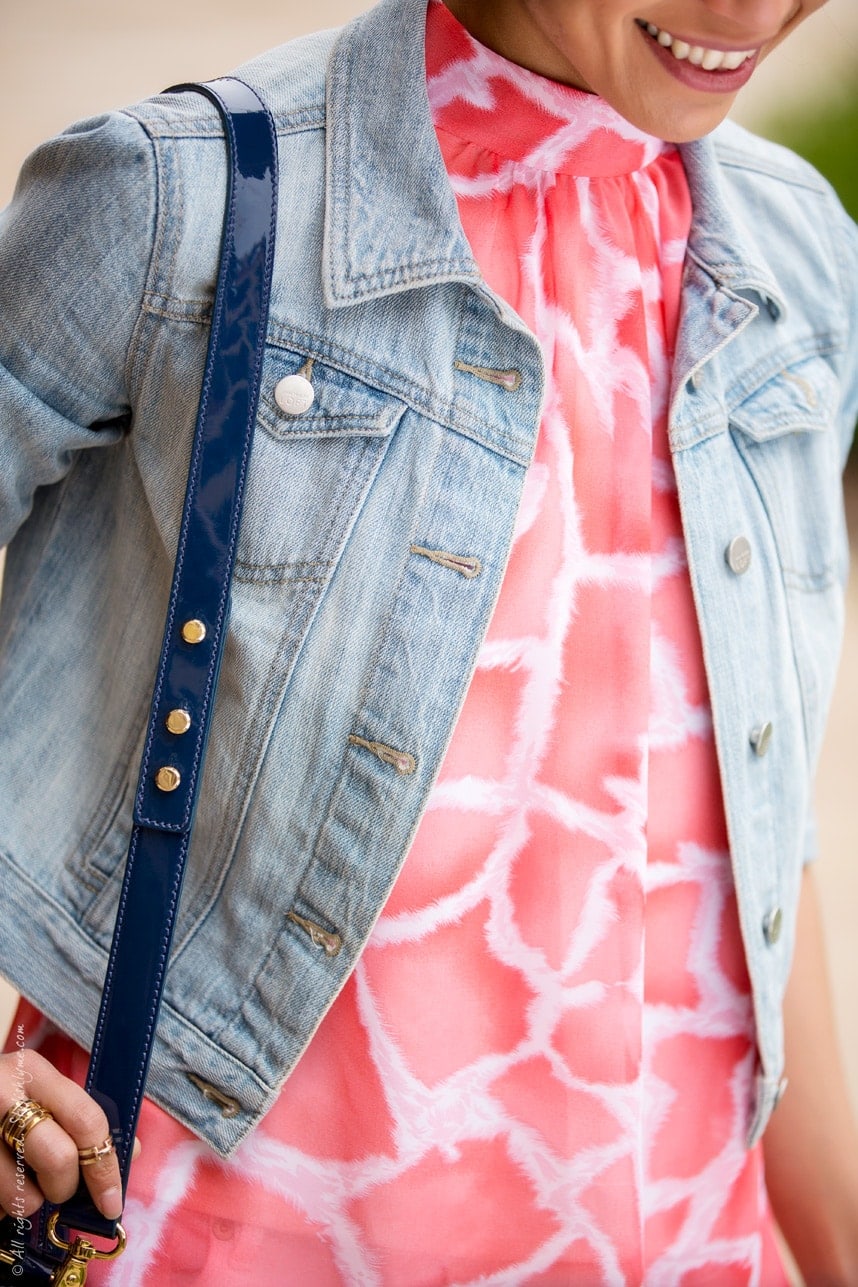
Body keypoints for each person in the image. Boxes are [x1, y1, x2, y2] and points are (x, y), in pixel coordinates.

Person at [1, 0, 857, 1281]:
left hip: (676, 1240)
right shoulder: (186, 195)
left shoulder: (804, 252)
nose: (746, 13)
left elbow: (745, 850)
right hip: (231, 1241)